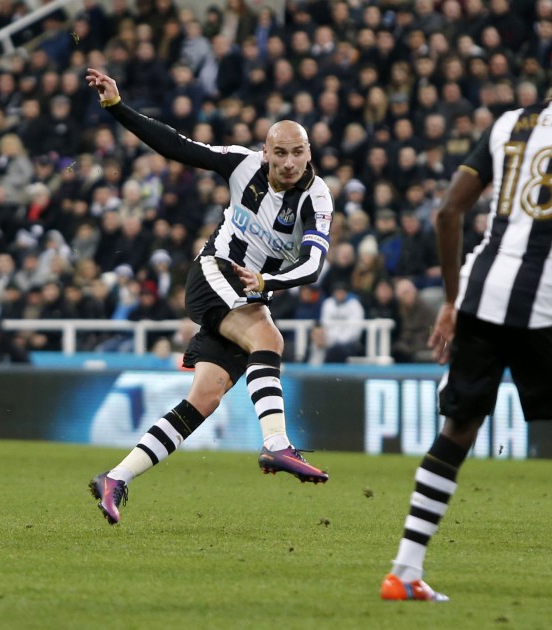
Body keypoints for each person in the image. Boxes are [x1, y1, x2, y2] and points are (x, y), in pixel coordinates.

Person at [379, 37, 552, 608]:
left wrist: (452, 301)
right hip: (543, 302)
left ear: (551, 78)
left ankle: (404, 570)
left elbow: (449, 211)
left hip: (480, 294)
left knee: (457, 429)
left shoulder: (507, 124)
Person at [84, 67, 334, 525]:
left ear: (309, 152)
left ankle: (116, 477)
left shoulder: (316, 197)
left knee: (204, 398)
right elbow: (176, 145)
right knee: (269, 340)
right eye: (280, 153)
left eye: (297, 152)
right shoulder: (242, 164)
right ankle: (277, 445)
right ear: (266, 152)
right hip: (213, 273)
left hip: (254, 289)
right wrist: (117, 107)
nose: (289, 162)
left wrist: (268, 284)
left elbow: (315, 266)